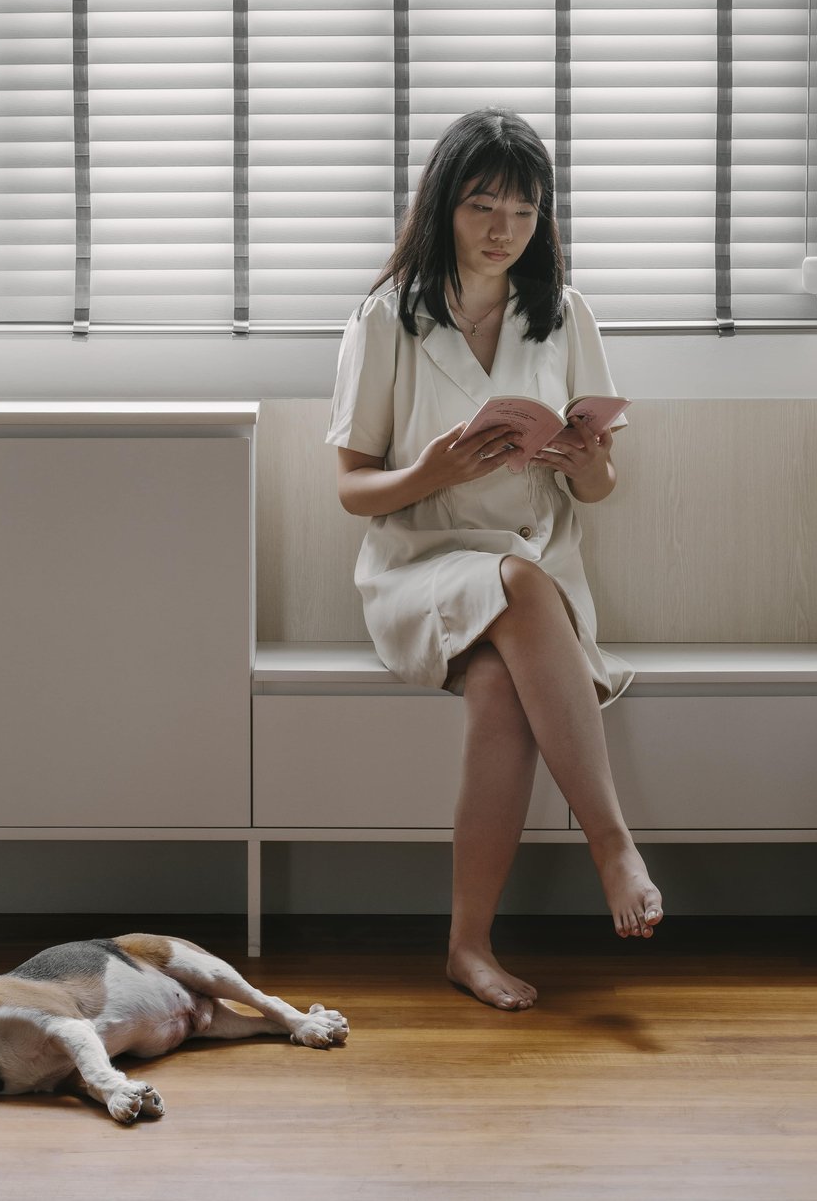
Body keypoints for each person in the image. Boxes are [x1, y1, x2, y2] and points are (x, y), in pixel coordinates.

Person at [326, 106, 664, 1011]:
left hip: (535, 571)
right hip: (419, 564)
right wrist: (427, 470)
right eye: (483, 208)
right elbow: (353, 489)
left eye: (523, 212)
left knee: (497, 685)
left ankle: (467, 945)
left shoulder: (564, 314)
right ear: (443, 209)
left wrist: (591, 466)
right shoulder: (387, 320)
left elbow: (597, 491)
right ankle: (612, 843)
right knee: (516, 580)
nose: (503, 231)